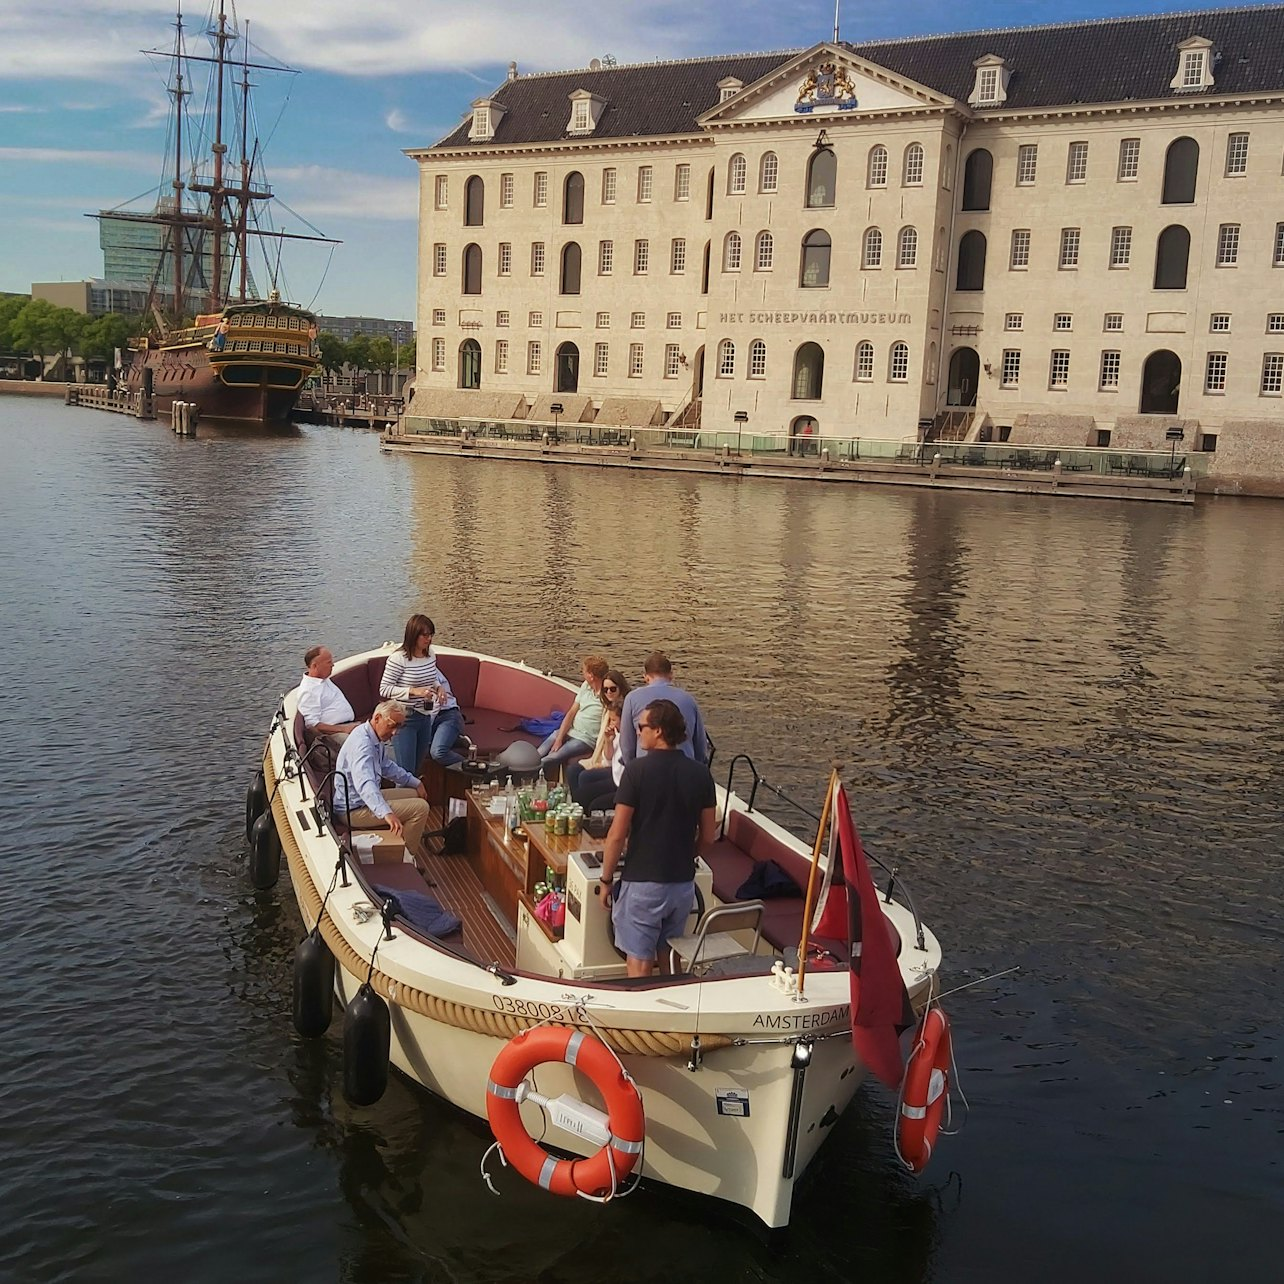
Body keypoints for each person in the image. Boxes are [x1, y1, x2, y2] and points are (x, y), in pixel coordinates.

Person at [600, 699, 717, 978]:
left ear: (659, 731)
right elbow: (708, 836)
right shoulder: (701, 774)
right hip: (682, 885)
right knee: (670, 958)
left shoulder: (636, 771)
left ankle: (641, 1007)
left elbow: (616, 835)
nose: (637, 731)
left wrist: (605, 881)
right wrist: (687, 856)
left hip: (643, 883)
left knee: (640, 963)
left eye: (641, 726)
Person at [333, 701, 432, 856]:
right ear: (377, 718)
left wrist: (415, 782)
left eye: (399, 727)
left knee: (414, 793)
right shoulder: (363, 746)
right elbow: (365, 784)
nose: (395, 732)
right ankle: (406, 858)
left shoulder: (371, 736)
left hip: (362, 800)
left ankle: (402, 842)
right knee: (421, 808)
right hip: (353, 809)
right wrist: (386, 813)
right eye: (392, 725)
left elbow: (386, 766)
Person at [380, 614, 466, 772]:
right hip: (406, 718)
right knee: (406, 771)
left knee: (418, 768)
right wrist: (413, 691)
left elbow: (432, 678)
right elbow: (384, 688)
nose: (429, 639)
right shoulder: (398, 659)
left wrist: (439, 687)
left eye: (431, 635)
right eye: (425, 635)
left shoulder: (430, 654)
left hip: (425, 716)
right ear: (413, 635)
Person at [619, 651, 707, 765]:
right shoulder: (688, 699)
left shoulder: (632, 699)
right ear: (671, 675)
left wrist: (632, 769)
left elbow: (627, 745)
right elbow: (700, 744)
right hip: (685, 766)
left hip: (646, 767)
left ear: (646, 677)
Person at [568, 668, 630, 809]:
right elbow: (609, 754)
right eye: (605, 689)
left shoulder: (624, 712)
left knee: (584, 777)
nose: (608, 692)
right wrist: (608, 741)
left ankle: (582, 811)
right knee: (573, 770)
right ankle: (580, 810)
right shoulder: (608, 709)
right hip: (605, 757)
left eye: (612, 689)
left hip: (618, 770)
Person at [538, 655, 608, 768]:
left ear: (591, 676)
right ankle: (525, 765)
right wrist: (559, 738)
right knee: (542, 750)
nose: (582, 673)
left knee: (553, 756)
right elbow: (571, 712)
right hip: (572, 730)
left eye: (584, 671)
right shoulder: (585, 686)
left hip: (586, 739)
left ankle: (529, 771)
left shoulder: (607, 696)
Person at [296, 645, 360, 751]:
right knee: (361, 742)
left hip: (347, 726)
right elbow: (313, 725)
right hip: (334, 734)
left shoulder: (323, 679)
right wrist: (344, 729)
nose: (333, 665)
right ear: (315, 666)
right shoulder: (309, 691)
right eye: (329, 662)